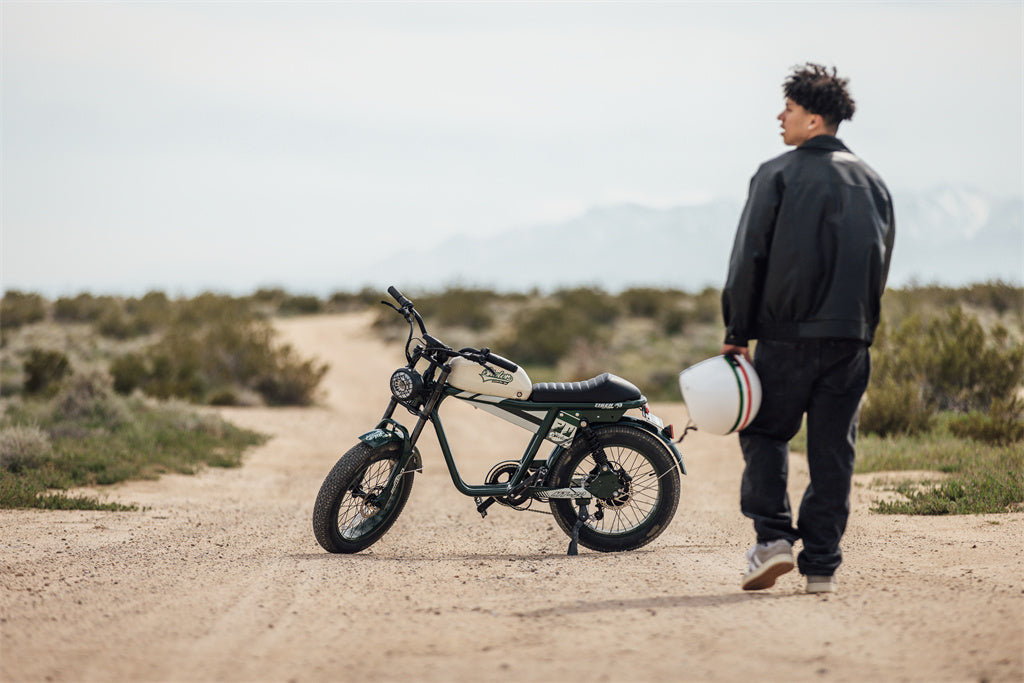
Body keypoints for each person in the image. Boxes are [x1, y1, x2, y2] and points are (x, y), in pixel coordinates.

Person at [720, 63, 895, 594]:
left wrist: (737, 330)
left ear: (814, 119)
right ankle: (821, 565)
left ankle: (773, 540)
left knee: (765, 431)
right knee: (832, 449)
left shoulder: (776, 174)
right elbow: (879, 267)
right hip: (851, 339)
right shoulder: (874, 183)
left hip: (785, 337)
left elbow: (750, 257)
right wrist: (860, 328)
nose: (781, 117)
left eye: (789, 109)